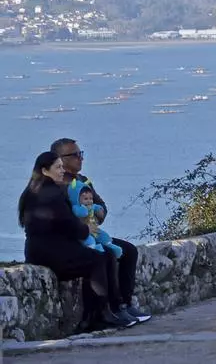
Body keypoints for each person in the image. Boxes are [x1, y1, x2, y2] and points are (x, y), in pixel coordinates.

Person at [19, 152, 137, 331]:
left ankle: (104, 312)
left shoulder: (32, 191)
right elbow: (69, 224)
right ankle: (98, 315)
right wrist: (86, 230)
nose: (62, 170)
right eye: (58, 167)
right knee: (97, 259)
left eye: (62, 166)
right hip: (50, 251)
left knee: (103, 255)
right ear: (44, 170)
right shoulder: (51, 193)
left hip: (40, 249)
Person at [51, 138, 151, 322]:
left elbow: (100, 206)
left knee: (129, 251)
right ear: (60, 159)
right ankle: (111, 308)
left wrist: (97, 213)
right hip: (75, 239)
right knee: (106, 255)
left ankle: (126, 303)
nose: (80, 158)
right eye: (75, 155)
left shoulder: (83, 181)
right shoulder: (57, 186)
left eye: (81, 154)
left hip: (93, 234)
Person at [69, 184, 124, 257]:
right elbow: (81, 213)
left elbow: (99, 206)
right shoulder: (77, 208)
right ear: (77, 199)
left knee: (103, 236)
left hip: (94, 229)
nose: (89, 201)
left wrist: (100, 211)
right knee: (90, 240)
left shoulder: (92, 205)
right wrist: (85, 210)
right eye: (86, 199)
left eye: (91, 198)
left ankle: (110, 246)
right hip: (83, 232)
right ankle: (94, 250)